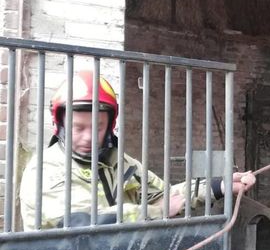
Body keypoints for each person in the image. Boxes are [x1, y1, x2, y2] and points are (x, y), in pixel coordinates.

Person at [20, 70, 255, 230]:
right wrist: (153, 212)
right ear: (59, 125)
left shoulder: (119, 162)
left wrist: (220, 186)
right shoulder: (46, 169)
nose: (89, 137)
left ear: (109, 126)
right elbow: (83, 224)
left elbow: (165, 195)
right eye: (78, 128)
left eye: (98, 127)